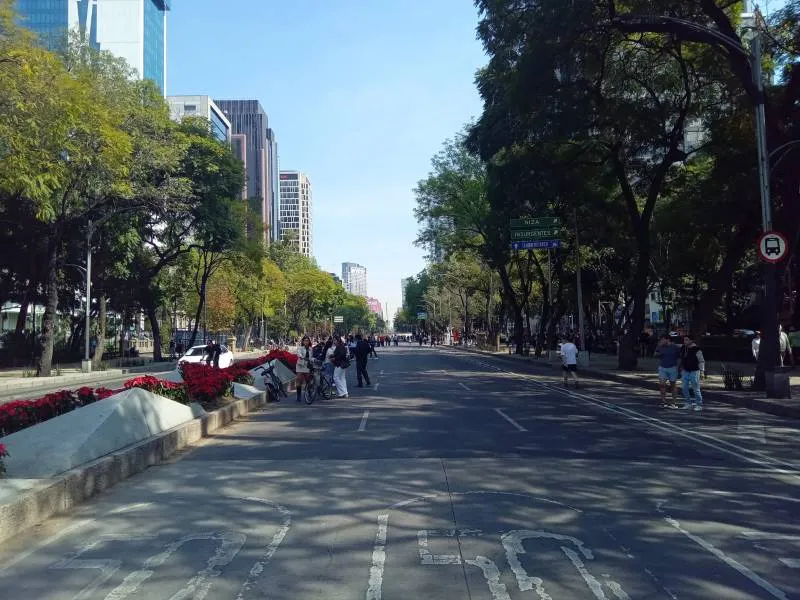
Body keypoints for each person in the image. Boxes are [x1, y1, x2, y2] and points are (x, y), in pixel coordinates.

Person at [679, 335, 705, 411]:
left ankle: (699, 404)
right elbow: (682, 358)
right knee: (684, 387)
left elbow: (701, 361)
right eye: (684, 340)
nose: (685, 341)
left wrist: (702, 371)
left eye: (686, 340)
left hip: (695, 370)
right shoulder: (684, 348)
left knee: (695, 388)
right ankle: (688, 403)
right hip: (685, 370)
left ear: (691, 341)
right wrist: (681, 367)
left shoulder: (697, 349)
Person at [655, 334, 680, 408]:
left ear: (668, 339)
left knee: (673, 385)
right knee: (662, 384)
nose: (661, 341)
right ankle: (664, 401)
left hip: (672, 367)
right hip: (662, 367)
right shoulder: (660, 346)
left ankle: (674, 403)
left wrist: (680, 367)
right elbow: (655, 355)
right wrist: (658, 347)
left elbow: (680, 357)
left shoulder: (675, 347)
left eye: (663, 339)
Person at [295, 335, 313, 403]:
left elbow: (311, 357)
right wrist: (302, 357)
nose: (306, 342)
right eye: (305, 340)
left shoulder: (311, 348)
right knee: (298, 379)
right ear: (303, 341)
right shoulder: (300, 348)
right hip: (300, 365)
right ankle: (298, 396)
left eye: (307, 341)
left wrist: (311, 360)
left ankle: (309, 392)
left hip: (307, 365)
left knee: (308, 379)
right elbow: (299, 354)